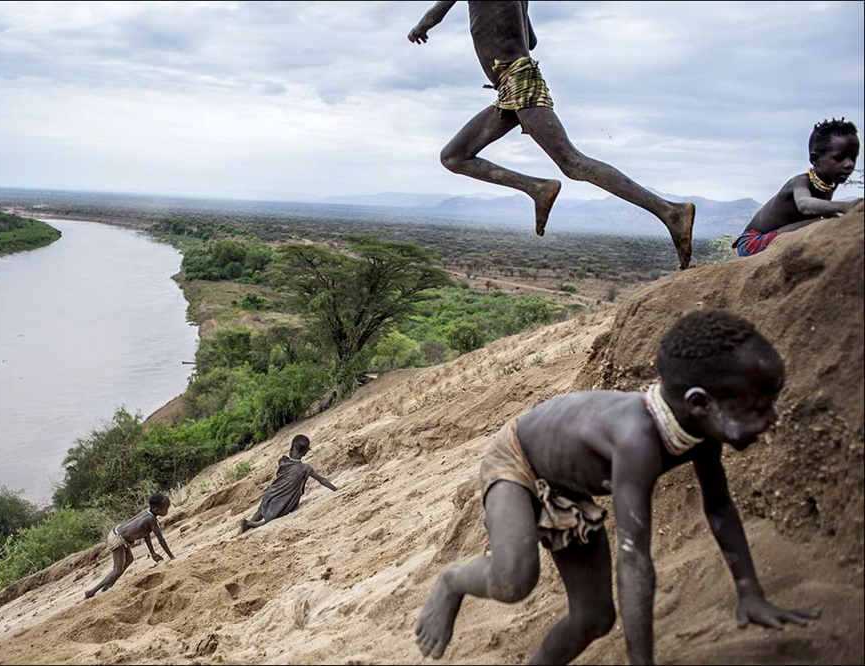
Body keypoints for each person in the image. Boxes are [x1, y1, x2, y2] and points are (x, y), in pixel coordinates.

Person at [415, 309, 819, 664]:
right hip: (517, 460)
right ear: (699, 404)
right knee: (514, 579)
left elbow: (719, 509)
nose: (773, 417)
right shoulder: (636, 442)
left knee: (594, 619)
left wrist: (750, 592)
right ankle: (452, 580)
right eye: (759, 408)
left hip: (567, 482)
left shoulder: (698, 432)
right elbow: (634, 559)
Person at [407, 1, 695, 268]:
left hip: (519, 81)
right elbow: (530, 40)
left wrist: (420, 28)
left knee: (572, 162)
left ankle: (671, 212)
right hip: (510, 86)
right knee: (454, 156)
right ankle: (538, 188)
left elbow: (436, 12)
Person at [734, 118, 861, 257]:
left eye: (853, 158)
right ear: (815, 159)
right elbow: (804, 204)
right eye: (839, 158)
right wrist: (845, 206)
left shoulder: (830, 184)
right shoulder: (801, 182)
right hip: (752, 243)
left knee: (829, 223)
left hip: (783, 234)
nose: (849, 164)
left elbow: (827, 212)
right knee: (821, 224)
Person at [239, 434, 338, 534]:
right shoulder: (306, 468)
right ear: (305, 453)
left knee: (260, 511)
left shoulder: (283, 462)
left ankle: (244, 528)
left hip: (271, 493)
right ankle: (251, 524)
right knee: (270, 518)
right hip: (285, 499)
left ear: (291, 448)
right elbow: (322, 480)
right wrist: (336, 490)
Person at [84, 493, 174, 599]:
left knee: (129, 560)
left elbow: (146, 534)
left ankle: (108, 586)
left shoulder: (148, 513)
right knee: (117, 569)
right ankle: (92, 591)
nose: (167, 511)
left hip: (117, 534)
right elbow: (160, 539)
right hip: (118, 538)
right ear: (157, 510)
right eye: (166, 509)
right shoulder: (151, 519)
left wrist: (152, 553)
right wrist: (171, 556)